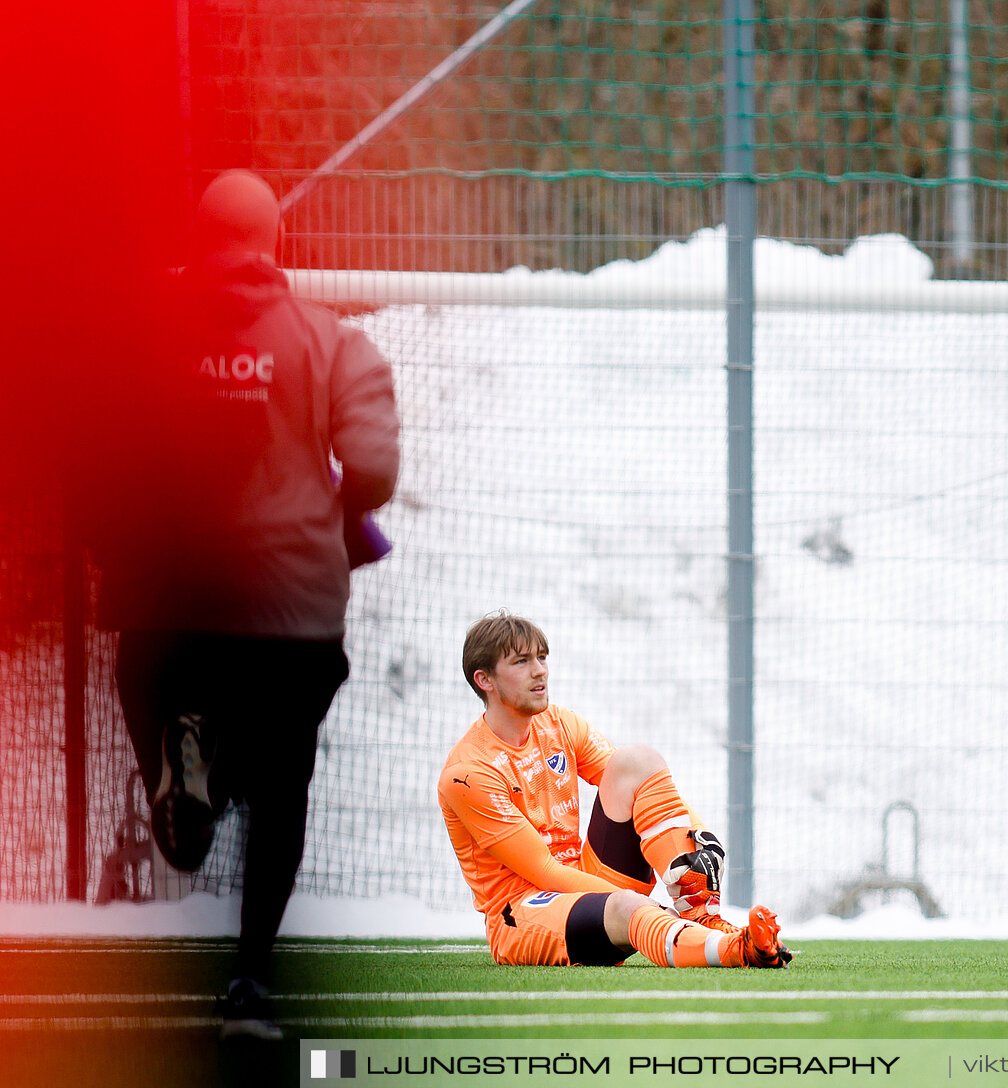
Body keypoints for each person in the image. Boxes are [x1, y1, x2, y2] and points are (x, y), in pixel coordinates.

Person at [95, 170, 401, 1036]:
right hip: (288, 609)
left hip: (165, 602)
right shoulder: (331, 343)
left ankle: (192, 777)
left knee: (186, 814)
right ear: (275, 243)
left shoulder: (141, 339)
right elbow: (374, 467)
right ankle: (251, 983)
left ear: (198, 243)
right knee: (282, 788)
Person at [438, 612, 792, 970]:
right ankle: (737, 950)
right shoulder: (467, 773)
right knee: (628, 907)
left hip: (584, 876)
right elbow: (544, 870)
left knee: (637, 760)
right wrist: (639, 905)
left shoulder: (559, 723)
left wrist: (698, 836)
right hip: (524, 911)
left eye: (542, 658)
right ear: (484, 680)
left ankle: (702, 916)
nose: (540, 671)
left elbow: (640, 786)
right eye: (522, 661)